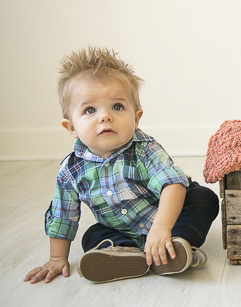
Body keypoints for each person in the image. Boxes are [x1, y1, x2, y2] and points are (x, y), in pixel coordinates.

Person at [24, 47, 219, 284]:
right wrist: (56, 258)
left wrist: (161, 229)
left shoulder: (145, 149)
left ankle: (178, 245)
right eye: (89, 110)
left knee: (203, 198)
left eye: (117, 107)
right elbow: (62, 215)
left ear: (136, 118)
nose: (105, 116)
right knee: (92, 235)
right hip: (121, 228)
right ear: (71, 127)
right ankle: (125, 253)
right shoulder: (71, 170)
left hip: (169, 217)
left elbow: (173, 186)